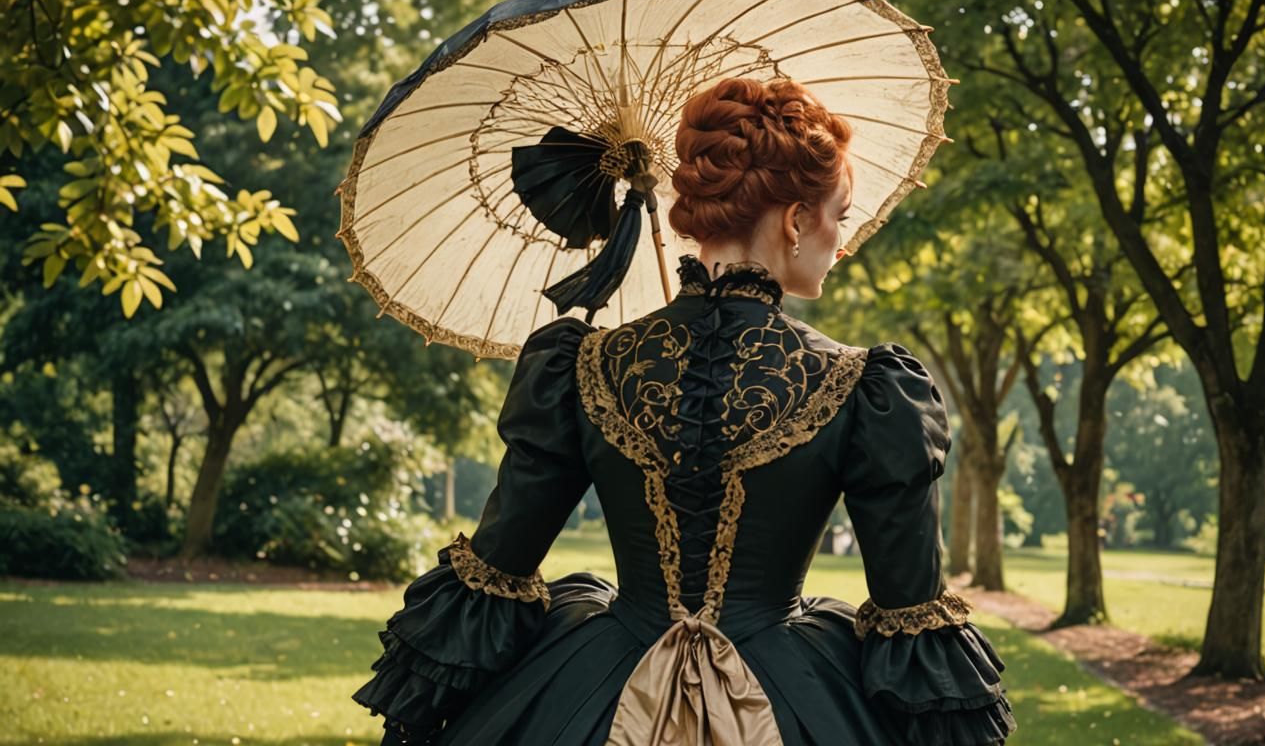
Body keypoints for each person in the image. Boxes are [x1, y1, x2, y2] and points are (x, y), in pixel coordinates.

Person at [352, 77, 1017, 745]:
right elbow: (910, 605)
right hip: (796, 697)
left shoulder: (582, 365)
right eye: (838, 215)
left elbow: (500, 562)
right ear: (793, 219)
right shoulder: (866, 385)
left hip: (596, 686)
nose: (839, 243)